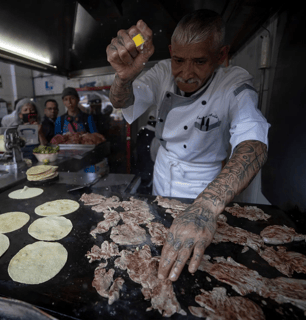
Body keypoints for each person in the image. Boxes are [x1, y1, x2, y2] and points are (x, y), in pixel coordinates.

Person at [106, 10, 270, 282]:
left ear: (221, 55)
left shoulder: (234, 82)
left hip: (204, 184)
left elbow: (253, 142)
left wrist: (205, 206)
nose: (186, 73)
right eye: (178, 60)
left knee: (196, 267)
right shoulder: (161, 73)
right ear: (170, 51)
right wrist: (123, 78)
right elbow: (122, 101)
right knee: (159, 245)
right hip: (163, 172)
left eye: (200, 61)